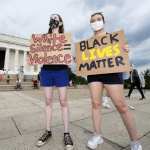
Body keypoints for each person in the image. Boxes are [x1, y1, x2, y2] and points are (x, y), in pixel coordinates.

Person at [85, 12, 142, 150]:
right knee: (95, 104)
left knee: (121, 105)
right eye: (93, 20)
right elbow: (83, 59)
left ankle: (135, 141)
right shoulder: (87, 44)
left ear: (104, 21)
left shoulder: (114, 38)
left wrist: (126, 50)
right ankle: (97, 135)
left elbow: (123, 55)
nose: (96, 22)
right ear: (90, 24)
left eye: (98, 19)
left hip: (112, 73)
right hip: (94, 74)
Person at [36, 14, 74, 150]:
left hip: (61, 71)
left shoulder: (65, 39)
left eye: (56, 18)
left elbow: (68, 58)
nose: (53, 19)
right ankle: (47, 131)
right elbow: (39, 56)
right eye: (51, 17)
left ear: (61, 22)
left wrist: (70, 75)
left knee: (63, 101)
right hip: (46, 70)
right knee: (47, 101)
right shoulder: (44, 39)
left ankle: (66, 133)